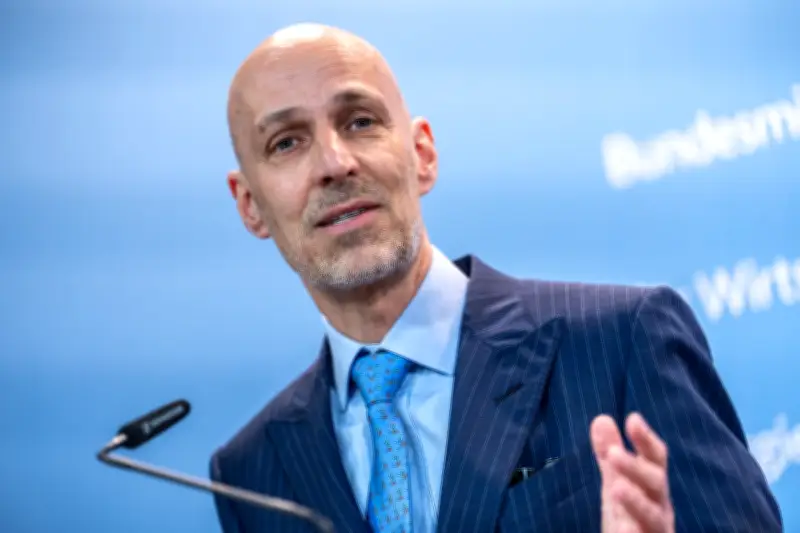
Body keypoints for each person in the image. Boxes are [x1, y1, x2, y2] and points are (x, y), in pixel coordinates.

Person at [209, 23, 782, 533]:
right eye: (286, 143)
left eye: (360, 122)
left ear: (422, 154)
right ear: (249, 205)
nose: (335, 163)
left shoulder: (622, 340)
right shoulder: (251, 471)